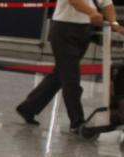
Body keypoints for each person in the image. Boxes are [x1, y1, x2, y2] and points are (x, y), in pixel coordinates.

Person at [16, 0, 123, 133]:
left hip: (85, 30)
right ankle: (77, 122)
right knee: (71, 77)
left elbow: (106, 3)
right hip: (64, 29)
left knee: (60, 75)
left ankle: (28, 108)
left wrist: (114, 23)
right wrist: (92, 13)